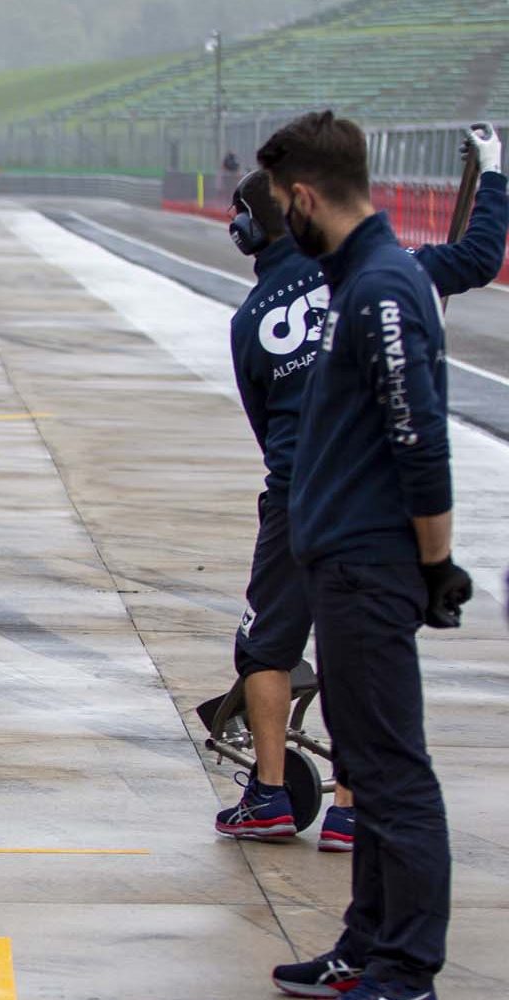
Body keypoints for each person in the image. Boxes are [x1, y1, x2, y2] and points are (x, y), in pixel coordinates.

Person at [216, 124, 505, 861]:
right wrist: (495, 177)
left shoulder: (251, 320)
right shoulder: (386, 273)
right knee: (359, 655)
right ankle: (348, 809)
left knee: (264, 647)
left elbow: (262, 422)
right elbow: (477, 257)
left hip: (295, 500)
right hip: (375, 513)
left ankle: (270, 795)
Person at [256, 110, 474, 1000]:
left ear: (304, 196)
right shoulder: (361, 279)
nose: (280, 219)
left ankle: (407, 969)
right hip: (344, 561)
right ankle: (366, 944)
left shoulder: (381, 289)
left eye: (281, 202)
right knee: (368, 768)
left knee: (391, 772)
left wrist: (435, 565)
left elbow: (418, 436)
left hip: (369, 567)